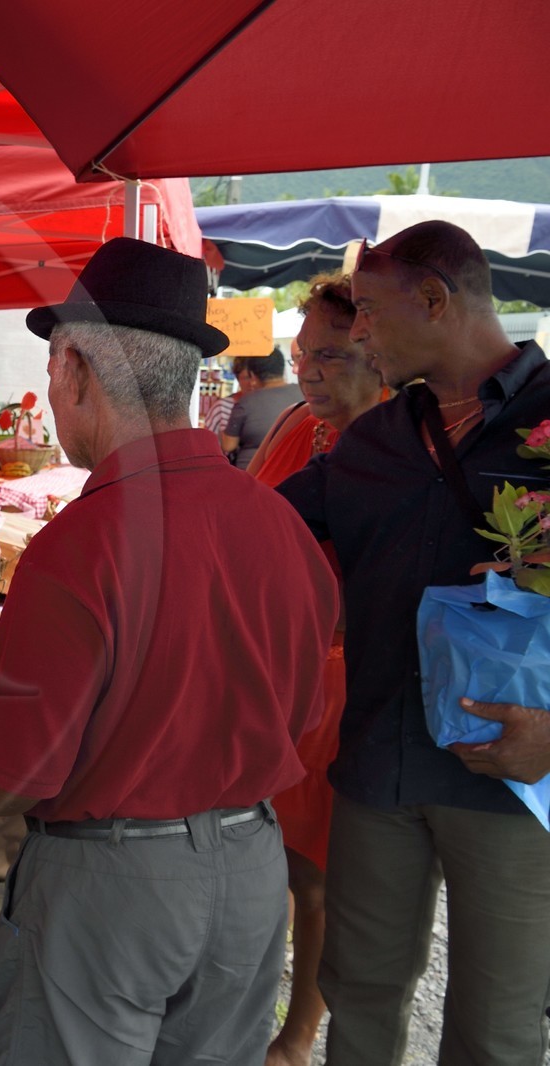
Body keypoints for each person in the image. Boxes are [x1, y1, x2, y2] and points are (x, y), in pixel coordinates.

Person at [0, 238, 338, 1065]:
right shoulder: (278, 522)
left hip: (114, 888)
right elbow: (308, 709)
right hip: (249, 869)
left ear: (75, 372)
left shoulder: (80, 545)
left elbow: (23, 773)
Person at [278, 221, 550, 1065]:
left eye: (365, 310)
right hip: (378, 770)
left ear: (434, 300)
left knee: (496, 1030)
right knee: (359, 998)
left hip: (511, 781)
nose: (355, 331)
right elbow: (261, 524)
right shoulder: (377, 439)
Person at [247, 274, 385, 1066]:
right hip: (276, 678)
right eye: (303, 355)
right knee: (261, 859)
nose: (309, 371)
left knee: (318, 881)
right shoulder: (299, 426)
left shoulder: (402, 444)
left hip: (346, 684)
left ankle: (299, 1034)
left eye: (329, 355)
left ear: (376, 354)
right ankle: (248, 1001)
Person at [221, 346, 296, 466]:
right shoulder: (303, 394)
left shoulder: (246, 401)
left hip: (252, 473)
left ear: (253, 376)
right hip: (294, 470)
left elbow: (228, 445)